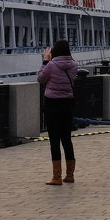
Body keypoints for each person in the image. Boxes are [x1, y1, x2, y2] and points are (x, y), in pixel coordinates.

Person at [37, 39, 79, 185]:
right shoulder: (74, 65)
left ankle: (56, 177)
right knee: (67, 139)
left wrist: (45, 61)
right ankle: (70, 175)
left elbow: (41, 79)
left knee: (54, 140)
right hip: (67, 104)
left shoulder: (52, 65)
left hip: (52, 104)